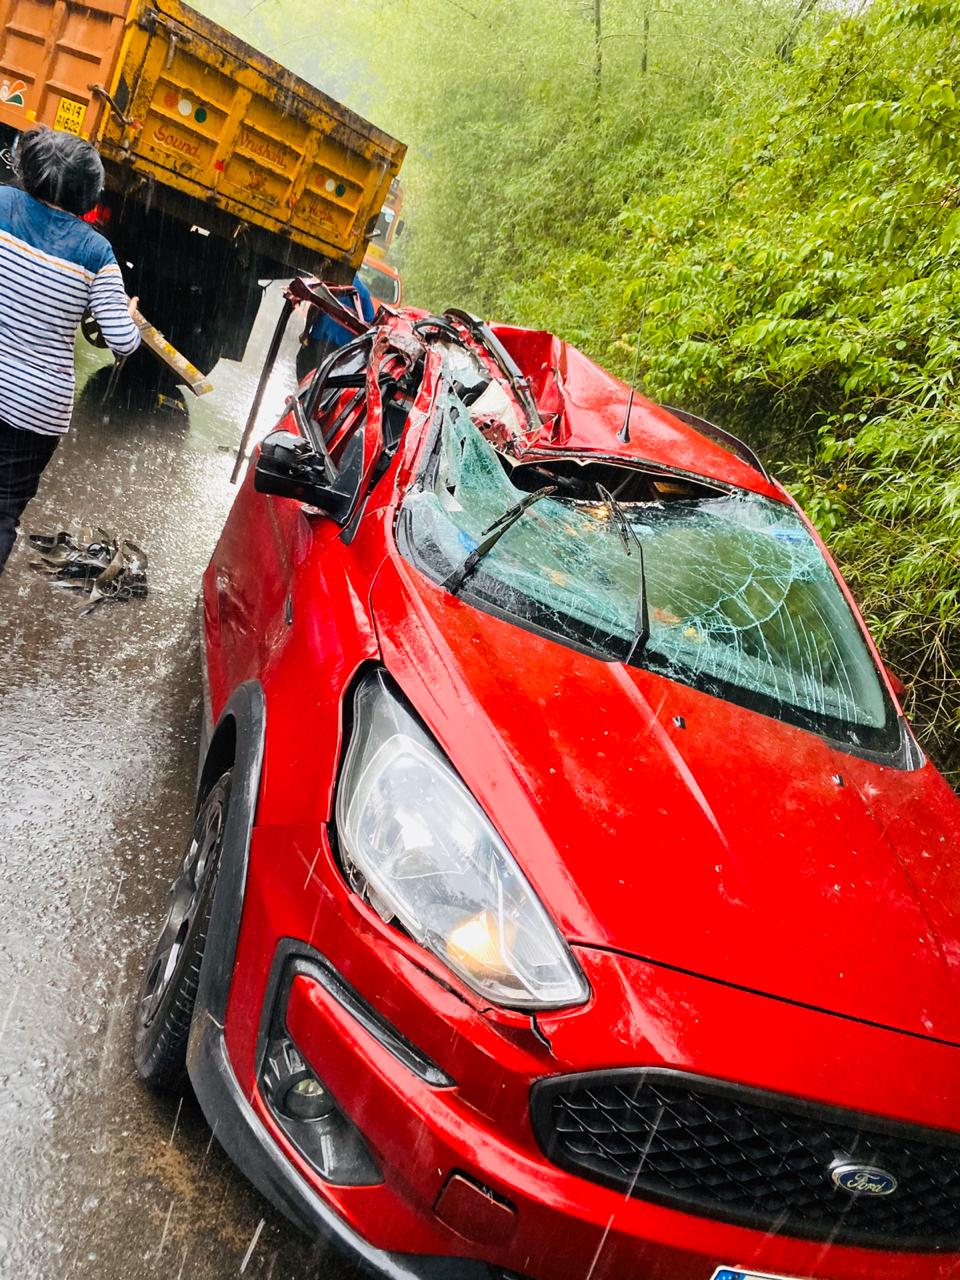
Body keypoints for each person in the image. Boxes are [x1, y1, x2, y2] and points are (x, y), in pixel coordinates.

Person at [0, 126, 141, 574]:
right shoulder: (96, 252)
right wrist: (129, 315)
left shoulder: (1, 203)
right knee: (2, 514)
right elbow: (122, 341)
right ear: (90, 196)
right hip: (36, 410)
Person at [295, 272, 375, 383]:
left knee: (306, 376)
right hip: (341, 350)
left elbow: (314, 308)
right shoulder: (364, 293)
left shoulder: (330, 283)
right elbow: (368, 326)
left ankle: (301, 396)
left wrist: (306, 331)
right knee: (325, 384)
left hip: (318, 339)